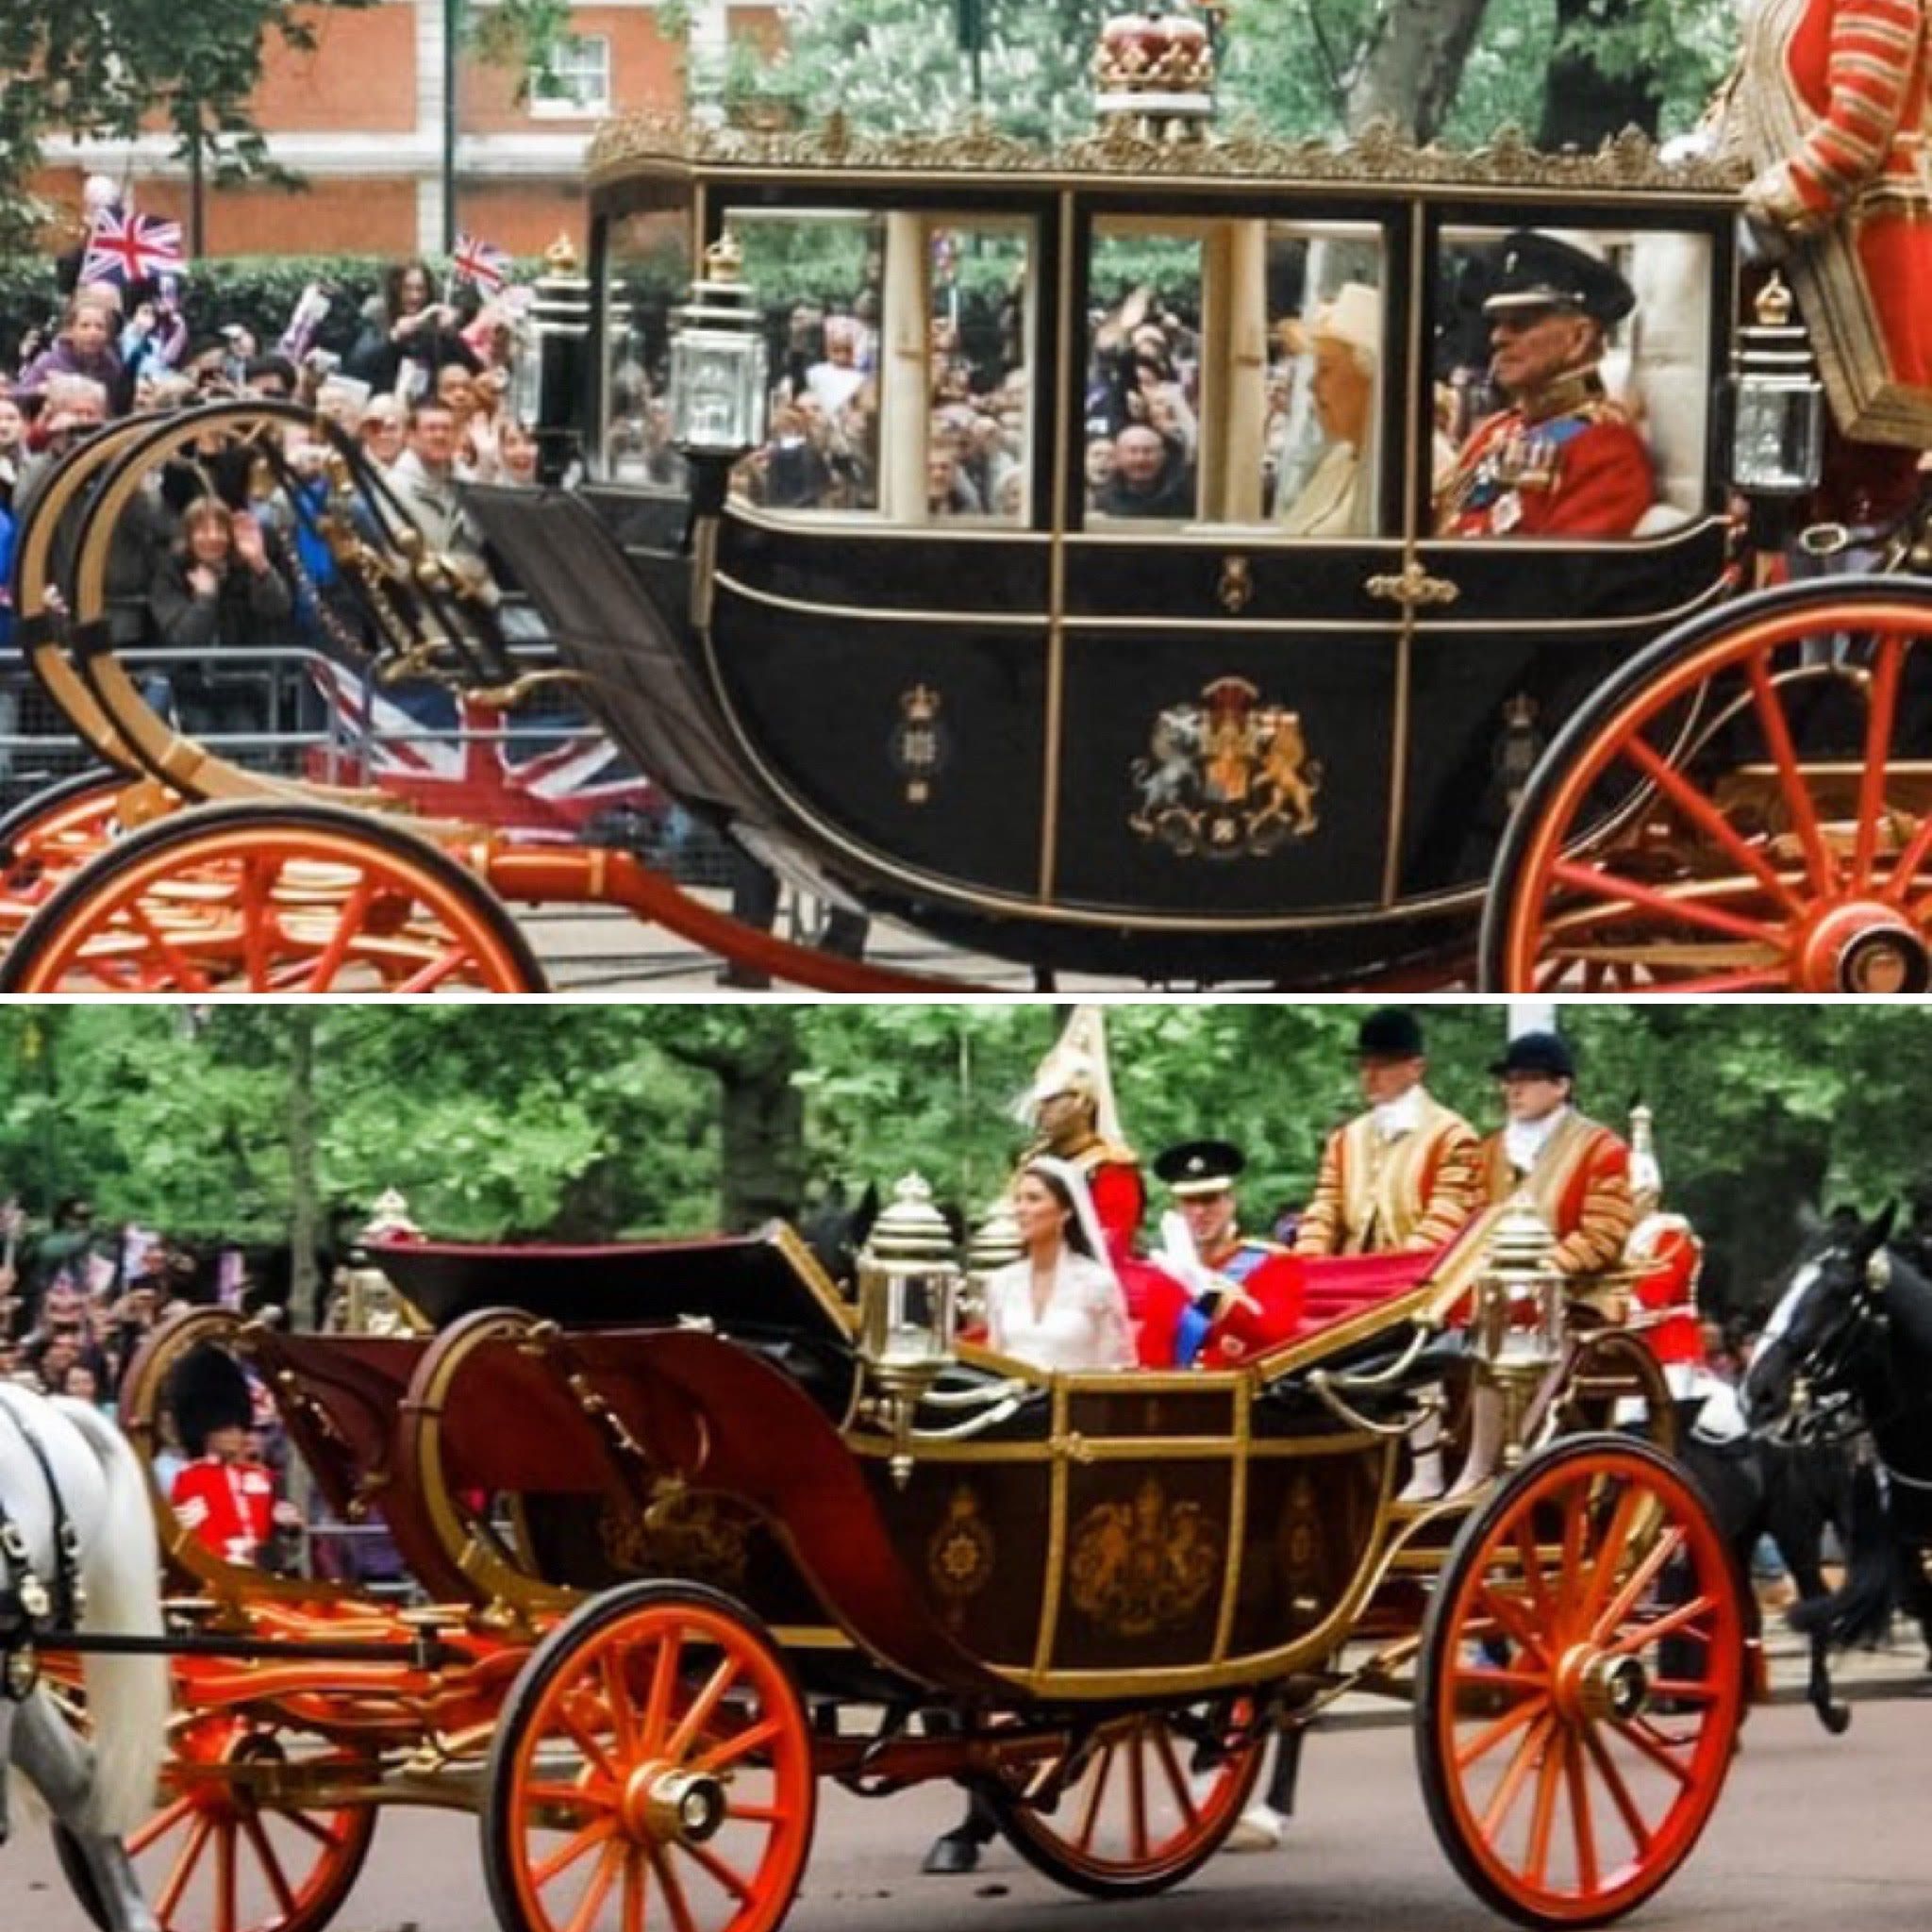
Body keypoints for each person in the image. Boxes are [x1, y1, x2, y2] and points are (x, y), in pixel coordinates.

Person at [1436, 232, 1653, 538]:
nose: (1498, 338)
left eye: (1520, 324)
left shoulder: (1605, 451)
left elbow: (1566, 578)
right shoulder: (1497, 430)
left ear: (1578, 338)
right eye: (1497, 324)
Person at [1293, 1008, 1481, 1258]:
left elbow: (1445, 1223)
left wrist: (1393, 1273)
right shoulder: (1346, 1138)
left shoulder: (1452, 1137)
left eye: (1382, 1065)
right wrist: (1307, 1256)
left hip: (1421, 1278)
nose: (1369, 1076)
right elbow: (1325, 1207)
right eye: (1364, 1065)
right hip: (1348, 1276)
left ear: (1416, 1068)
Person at [1478, 1030, 1636, 1291]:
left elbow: (1604, 1235)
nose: (1514, 1090)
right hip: (1493, 1295)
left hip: (1577, 1298)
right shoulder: (1488, 1150)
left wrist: (1543, 1273)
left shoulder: (1602, 1148)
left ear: (1561, 1086)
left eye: (1528, 1079)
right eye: (1508, 1080)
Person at [1145, 1141, 1304, 1369]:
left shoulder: (1275, 1265)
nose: (1200, 1212)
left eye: (1210, 1199)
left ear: (1231, 1202)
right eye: (1189, 1202)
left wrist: (1211, 1294)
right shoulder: (1167, 1276)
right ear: (1177, 1207)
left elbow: (1276, 1340)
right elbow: (1152, 1358)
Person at [1014, 1006, 1144, 1272]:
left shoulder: (1111, 1170)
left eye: (1052, 1101)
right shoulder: (1035, 1163)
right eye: (1041, 1102)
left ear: (1084, 1104)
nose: (1042, 1111)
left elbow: (1110, 1248)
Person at [982, 1158, 1136, 1373]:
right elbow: (994, 1360)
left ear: (1065, 1212)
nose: (1021, 1209)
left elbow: (1115, 1366)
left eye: (1033, 1199)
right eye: (1017, 1200)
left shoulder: (1096, 1283)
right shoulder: (1001, 1282)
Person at [165, 1343, 283, 1567]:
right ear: (207, 1433)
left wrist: (284, 1526)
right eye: (225, 1429)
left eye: (238, 1427)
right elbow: (196, 1535)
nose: (235, 1435)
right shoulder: (190, 1478)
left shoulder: (261, 1476)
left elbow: (270, 1532)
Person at [1278, 282, 1380, 537]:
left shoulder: (1418, 466)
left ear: (1371, 378)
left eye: (1325, 369)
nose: (1312, 385)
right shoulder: (1338, 459)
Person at [1092, 423, 1195, 519]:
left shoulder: (1187, 495)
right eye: (1133, 451)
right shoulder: (1103, 500)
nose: (1140, 459)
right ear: (1118, 456)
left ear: (1162, 456)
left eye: (1148, 451)